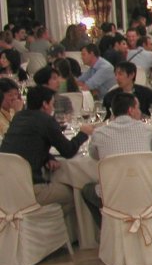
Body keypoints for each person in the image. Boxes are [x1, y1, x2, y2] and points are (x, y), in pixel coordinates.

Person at [0, 86, 95, 227]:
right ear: (45, 104)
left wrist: (47, 156)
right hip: (31, 190)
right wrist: (83, 133)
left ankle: (34, 228)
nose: (53, 108)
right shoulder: (46, 120)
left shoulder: (18, 117)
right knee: (74, 193)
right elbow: (68, 151)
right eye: (52, 103)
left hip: (5, 188)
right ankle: (44, 229)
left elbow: (25, 144)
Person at [80, 92, 152, 226]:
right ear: (131, 110)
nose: (140, 111)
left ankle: (108, 228)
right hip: (144, 192)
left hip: (112, 196)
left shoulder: (99, 133)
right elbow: (151, 155)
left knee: (86, 190)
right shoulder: (148, 130)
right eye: (138, 108)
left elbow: (94, 156)